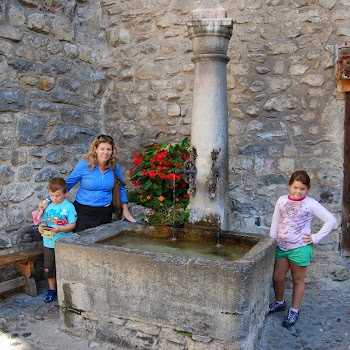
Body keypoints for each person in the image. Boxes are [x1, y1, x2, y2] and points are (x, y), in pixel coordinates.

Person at [268, 170, 336, 328]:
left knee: (298, 280)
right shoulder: (281, 200)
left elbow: (331, 220)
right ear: (289, 186)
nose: (298, 191)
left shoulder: (310, 204)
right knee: (277, 277)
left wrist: (315, 237)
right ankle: (280, 302)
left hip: (300, 248)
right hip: (281, 247)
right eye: (295, 187)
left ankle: (294, 310)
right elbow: (275, 223)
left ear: (308, 189)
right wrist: (272, 241)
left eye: (302, 189)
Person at [39, 134, 136, 232]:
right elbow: (67, 184)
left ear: (112, 151)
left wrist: (125, 210)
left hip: (105, 213)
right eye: (102, 149)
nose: (105, 152)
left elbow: (121, 187)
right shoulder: (84, 165)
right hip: (84, 213)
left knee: (102, 244)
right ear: (95, 149)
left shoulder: (114, 167)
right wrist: (47, 200)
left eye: (108, 149)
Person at [38, 177, 77, 303]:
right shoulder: (48, 206)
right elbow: (44, 221)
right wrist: (41, 226)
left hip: (64, 243)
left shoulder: (69, 207)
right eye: (52, 195)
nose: (55, 198)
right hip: (49, 243)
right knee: (49, 267)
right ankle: (51, 290)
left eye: (58, 195)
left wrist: (60, 230)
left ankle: (65, 290)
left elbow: (72, 225)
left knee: (64, 266)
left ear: (65, 193)